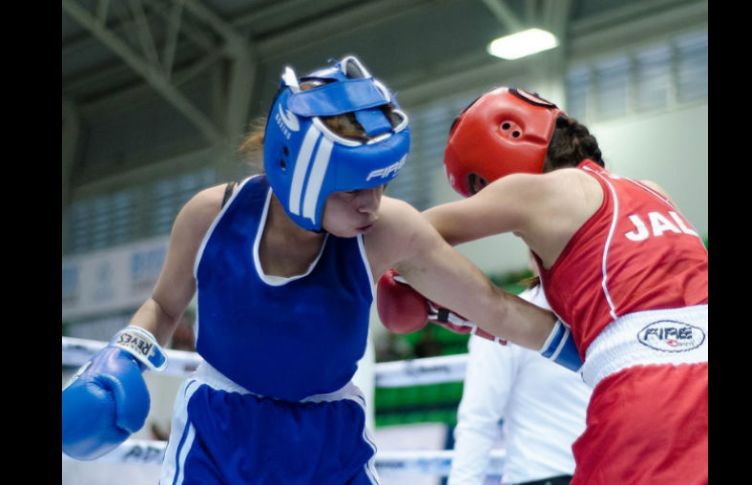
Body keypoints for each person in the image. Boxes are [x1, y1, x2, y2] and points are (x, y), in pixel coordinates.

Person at [61, 58, 560, 485]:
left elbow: (494, 307)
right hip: (219, 429)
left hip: (330, 437)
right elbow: (165, 305)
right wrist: (125, 354)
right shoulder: (211, 216)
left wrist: (605, 349)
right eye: (353, 190)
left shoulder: (389, 229)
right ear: (297, 173)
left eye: (381, 184)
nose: (373, 203)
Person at [409, 86, 707, 484]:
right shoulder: (654, 191)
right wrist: (472, 303)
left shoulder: (533, 191)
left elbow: (408, 235)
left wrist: (409, 279)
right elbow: (615, 339)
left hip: (649, 398)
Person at [448, 273, 591, 485]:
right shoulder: (503, 316)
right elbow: (478, 419)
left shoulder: (602, 310)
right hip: (542, 474)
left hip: (608, 473)